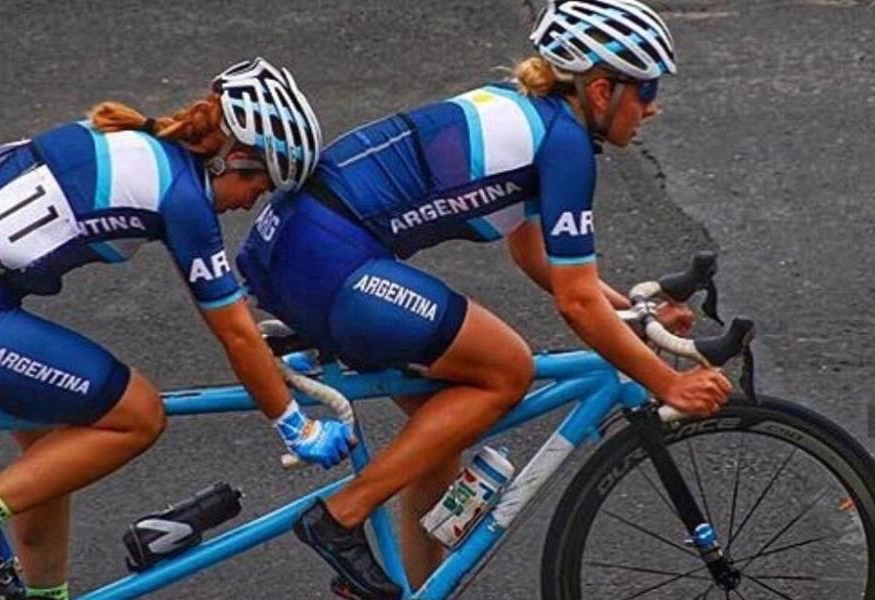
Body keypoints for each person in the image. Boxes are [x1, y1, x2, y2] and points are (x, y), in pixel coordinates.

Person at [237, 2, 733, 598]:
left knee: (439, 432)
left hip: (294, 249)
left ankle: (412, 588)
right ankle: (340, 518)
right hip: (331, 262)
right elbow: (576, 304)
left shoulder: (527, 113)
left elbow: (535, 255)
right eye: (646, 88)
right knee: (507, 368)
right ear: (601, 89)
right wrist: (667, 384)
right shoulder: (565, 143)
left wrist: (632, 314)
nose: (653, 105)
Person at [0, 58, 352, 599]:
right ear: (233, 159)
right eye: (260, 186)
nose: (250, 204)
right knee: (137, 414)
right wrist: (295, 426)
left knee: (53, 456)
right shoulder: (183, 196)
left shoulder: (135, 138)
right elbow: (237, 333)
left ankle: (45, 594)